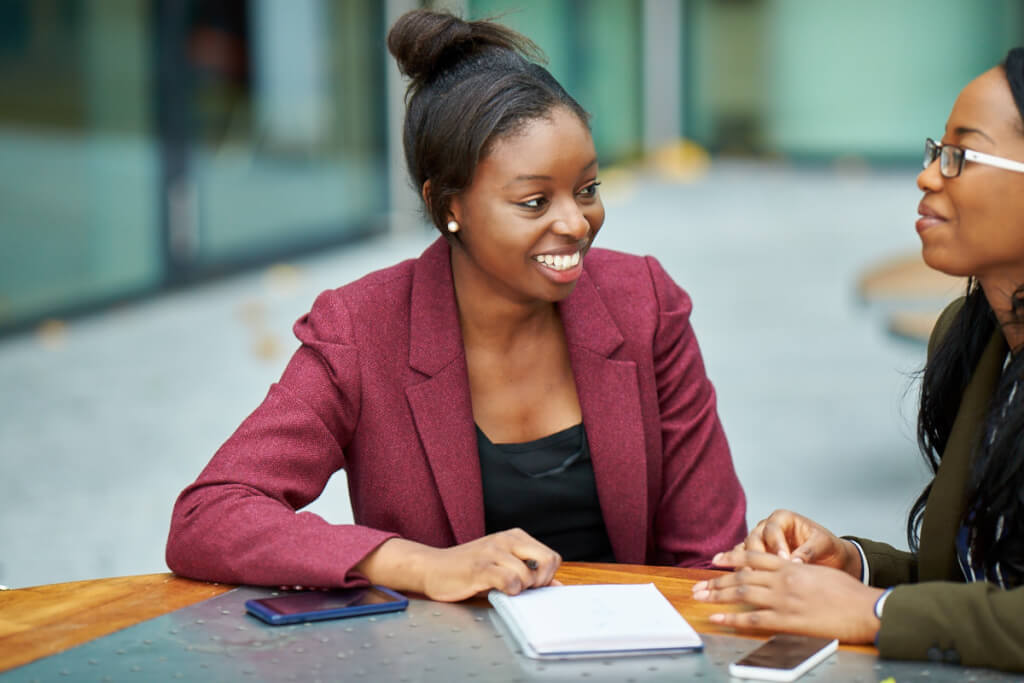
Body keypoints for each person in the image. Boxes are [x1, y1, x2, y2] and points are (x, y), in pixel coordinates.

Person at [166, 9, 747, 603]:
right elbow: (210, 513)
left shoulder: (643, 305)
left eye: (587, 189)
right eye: (534, 201)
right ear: (449, 206)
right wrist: (413, 564)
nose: (576, 222)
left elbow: (709, 557)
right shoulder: (363, 329)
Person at [692, 48, 1024, 672]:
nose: (927, 177)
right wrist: (851, 565)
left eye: (960, 157)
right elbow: (979, 580)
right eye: (933, 153)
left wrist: (873, 611)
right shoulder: (975, 337)